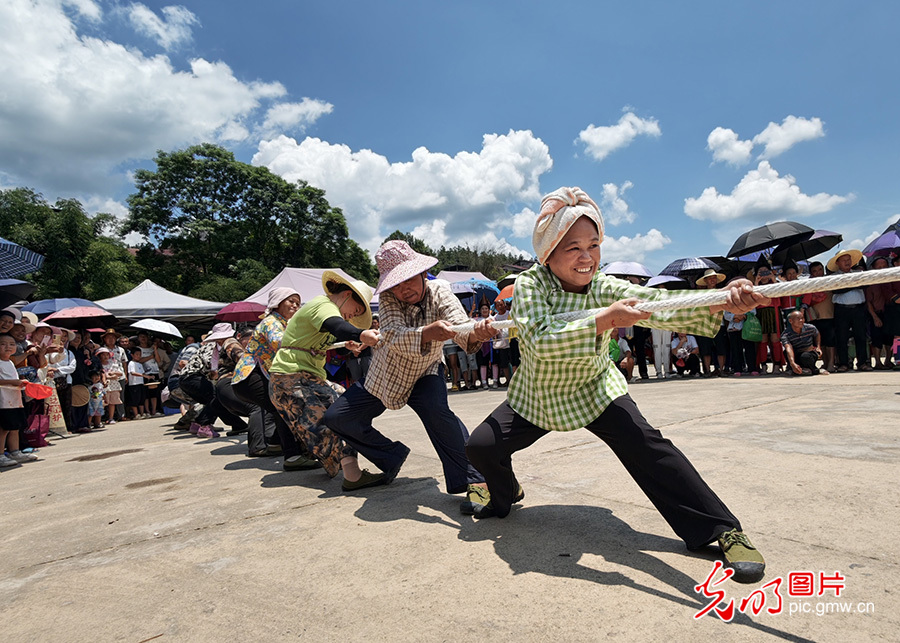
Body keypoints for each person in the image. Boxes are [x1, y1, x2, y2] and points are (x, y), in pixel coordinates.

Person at [464, 186, 768, 583]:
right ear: (548, 253)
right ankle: (505, 493)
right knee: (480, 447)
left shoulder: (604, 286)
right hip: (538, 393)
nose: (587, 257)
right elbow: (538, 339)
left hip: (595, 388)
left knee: (649, 446)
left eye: (593, 245)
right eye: (573, 248)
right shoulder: (530, 285)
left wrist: (720, 300)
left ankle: (722, 529)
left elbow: (655, 304)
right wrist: (604, 320)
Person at [323, 240, 495, 510]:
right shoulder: (389, 297)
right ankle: (390, 456)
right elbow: (392, 335)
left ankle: (478, 480)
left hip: (426, 370)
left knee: (437, 412)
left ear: (422, 273)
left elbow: (461, 325)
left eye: (409, 280)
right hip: (386, 373)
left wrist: (477, 333)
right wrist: (427, 332)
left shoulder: (441, 291)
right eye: (396, 284)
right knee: (337, 417)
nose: (404, 289)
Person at [269, 272, 380, 489]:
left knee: (343, 411)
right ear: (347, 295)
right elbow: (337, 326)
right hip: (292, 377)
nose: (352, 316)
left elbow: (325, 338)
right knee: (344, 413)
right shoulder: (324, 305)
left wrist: (346, 345)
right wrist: (361, 334)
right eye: (356, 310)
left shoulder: (323, 312)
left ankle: (348, 471)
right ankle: (352, 475)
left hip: (294, 379)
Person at [232, 288, 313, 467]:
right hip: (249, 375)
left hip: (254, 377)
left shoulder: (284, 323)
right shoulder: (271, 322)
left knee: (281, 406)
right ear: (278, 302)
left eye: (298, 303)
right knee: (282, 405)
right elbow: (280, 342)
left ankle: (276, 444)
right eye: (291, 301)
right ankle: (292, 457)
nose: (295, 305)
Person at [178, 323, 249, 439]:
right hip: (192, 377)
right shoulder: (214, 347)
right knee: (216, 398)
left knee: (216, 400)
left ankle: (236, 425)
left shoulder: (219, 346)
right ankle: (204, 424)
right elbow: (212, 366)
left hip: (189, 378)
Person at [828, 249, 870, 372]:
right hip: (842, 310)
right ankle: (843, 363)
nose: (847, 262)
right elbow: (836, 290)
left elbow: (865, 285)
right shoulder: (833, 277)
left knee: (861, 336)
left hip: (858, 308)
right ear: (837, 263)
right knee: (841, 337)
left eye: (848, 260)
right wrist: (854, 284)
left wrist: (847, 284)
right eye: (844, 260)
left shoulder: (858, 273)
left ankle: (862, 362)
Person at [0, 333, 38, 467]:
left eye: (11, 344)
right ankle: (1, 455)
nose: (8, 347)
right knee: (3, 429)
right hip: (3, 401)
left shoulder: (10, 362)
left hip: (14, 400)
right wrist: (14, 382)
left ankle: (15, 452)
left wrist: (22, 383)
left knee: (15, 427)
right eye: (3, 344)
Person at [802, 262, 836, 372]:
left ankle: (831, 363)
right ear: (811, 273)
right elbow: (805, 301)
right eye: (815, 271)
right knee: (821, 343)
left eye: (820, 269)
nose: (818, 273)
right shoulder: (809, 285)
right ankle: (825, 363)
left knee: (830, 341)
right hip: (814, 317)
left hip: (829, 315)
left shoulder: (829, 282)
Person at [753, 257, 784, 374]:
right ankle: (763, 365)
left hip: (774, 311)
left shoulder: (775, 283)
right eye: (761, 272)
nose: (764, 274)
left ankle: (777, 365)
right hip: (761, 313)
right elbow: (753, 299)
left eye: (766, 271)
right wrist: (756, 282)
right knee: (763, 340)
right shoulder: (754, 286)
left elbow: (780, 294)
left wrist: (774, 279)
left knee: (775, 339)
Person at [695, 269, 728, 376]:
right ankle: (708, 370)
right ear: (705, 281)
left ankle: (721, 369)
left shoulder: (722, 292)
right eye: (710, 278)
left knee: (721, 348)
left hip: (719, 323)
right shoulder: (701, 295)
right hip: (705, 324)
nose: (712, 280)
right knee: (706, 349)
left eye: (714, 278)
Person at [865, 256, 893, 369]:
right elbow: (868, 302)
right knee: (876, 338)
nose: (882, 268)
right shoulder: (871, 283)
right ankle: (877, 362)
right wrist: (875, 317)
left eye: (884, 266)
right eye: (879, 266)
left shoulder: (892, 280)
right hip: (876, 313)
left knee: (889, 338)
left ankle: (888, 360)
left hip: (890, 312)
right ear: (873, 268)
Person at [781, 310, 827, 376]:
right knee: (786, 353)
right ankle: (793, 368)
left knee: (805, 356)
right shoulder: (785, 334)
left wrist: (818, 346)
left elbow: (817, 334)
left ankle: (815, 370)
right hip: (796, 352)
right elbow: (788, 348)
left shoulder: (810, 328)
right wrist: (792, 363)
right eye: (798, 319)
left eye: (802, 318)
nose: (801, 320)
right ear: (791, 321)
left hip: (809, 352)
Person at [492, 298, 513, 386]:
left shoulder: (510, 314)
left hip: (511, 341)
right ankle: (508, 380)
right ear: (496, 307)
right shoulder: (495, 318)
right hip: (502, 343)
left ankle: (514, 380)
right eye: (498, 305)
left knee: (513, 362)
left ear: (504, 305)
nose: (500, 307)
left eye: (501, 304)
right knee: (504, 363)